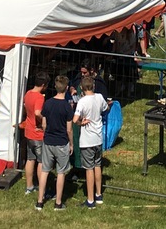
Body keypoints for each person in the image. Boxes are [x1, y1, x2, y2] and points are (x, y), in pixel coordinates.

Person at [36, 75, 74, 211]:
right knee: (61, 172)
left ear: (55, 87)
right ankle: (58, 202)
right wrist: (71, 144)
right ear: (67, 88)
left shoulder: (48, 103)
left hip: (48, 141)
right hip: (61, 142)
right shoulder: (67, 107)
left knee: (45, 170)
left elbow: (44, 124)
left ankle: (40, 201)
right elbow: (69, 130)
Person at [73, 75, 109, 208]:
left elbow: (74, 119)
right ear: (93, 86)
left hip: (87, 140)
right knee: (97, 165)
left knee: (89, 169)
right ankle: (99, 194)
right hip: (98, 138)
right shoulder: (99, 97)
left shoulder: (82, 101)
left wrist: (81, 123)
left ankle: (90, 199)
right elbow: (106, 109)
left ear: (81, 88)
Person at [20, 72, 47, 198]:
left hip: (28, 131)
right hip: (38, 133)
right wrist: (44, 119)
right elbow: (37, 112)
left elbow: (26, 108)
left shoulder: (28, 93)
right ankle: (42, 188)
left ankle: (29, 186)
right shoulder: (39, 97)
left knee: (30, 159)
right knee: (41, 161)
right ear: (43, 85)